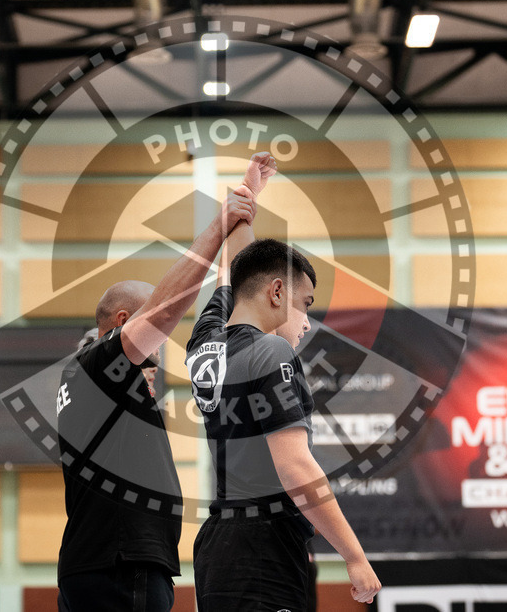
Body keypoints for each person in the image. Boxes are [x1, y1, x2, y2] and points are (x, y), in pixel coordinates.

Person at [54, 154, 273, 612]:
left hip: (109, 568)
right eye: (150, 336)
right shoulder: (93, 366)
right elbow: (166, 309)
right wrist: (219, 223)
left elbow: (230, 301)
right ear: (121, 322)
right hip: (119, 569)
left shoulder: (107, 383)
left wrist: (244, 207)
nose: (160, 348)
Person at [185, 171, 383, 610]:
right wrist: (354, 556)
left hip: (217, 548)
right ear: (277, 292)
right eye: (305, 304)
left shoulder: (203, 342)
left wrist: (245, 200)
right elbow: (295, 467)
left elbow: (236, 273)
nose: (307, 322)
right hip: (265, 550)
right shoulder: (271, 350)